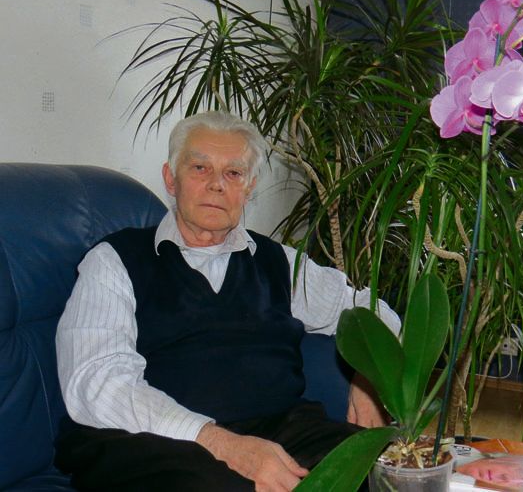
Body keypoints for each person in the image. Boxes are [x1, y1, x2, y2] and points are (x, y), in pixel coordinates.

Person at [54, 111, 401, 491]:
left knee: (388, 470)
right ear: (171, 179)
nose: (216, 185)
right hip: (152, 441)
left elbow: (374, 314)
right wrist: (222, 444)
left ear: (249, 187)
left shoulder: (278, 262)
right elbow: (97, 381)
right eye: (200, 168)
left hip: (279, 428)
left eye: (233, 173)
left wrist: (368, 378)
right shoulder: (115, 260)